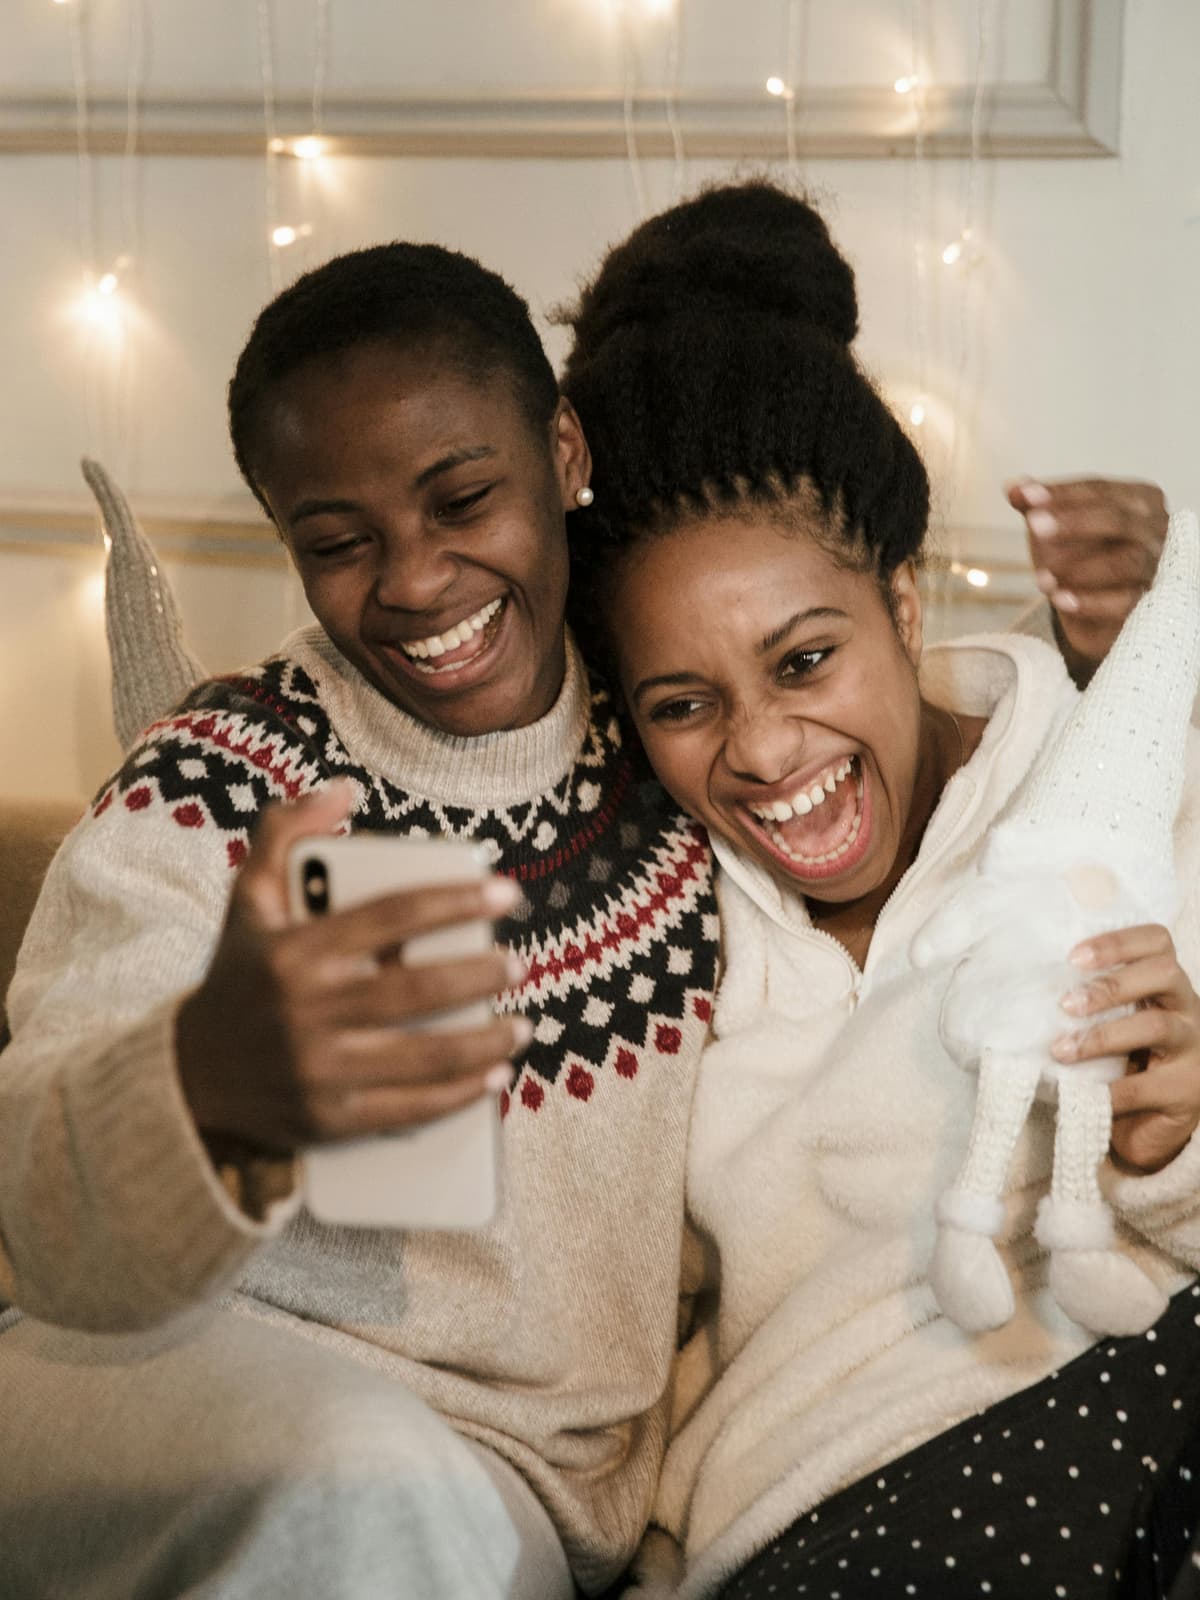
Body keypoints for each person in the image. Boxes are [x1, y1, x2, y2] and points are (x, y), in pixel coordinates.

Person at [0, 224, 1173, 1600]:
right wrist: (213, 1086)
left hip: (515, 1485)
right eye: (338, 542)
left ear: (563, 454)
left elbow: (927, 723)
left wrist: (1135, 645)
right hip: (159, 1368)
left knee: (403, 1504)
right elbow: (50, 1224)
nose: (416, 580)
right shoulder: (226, 778)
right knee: (364, 1489)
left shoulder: (683, 777)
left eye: (461, 500)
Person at [557, 180, 1200, 1598]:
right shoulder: (639, 927)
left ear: (904, 606)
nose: (766, 751)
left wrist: (1178, 1137)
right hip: (821, 1507)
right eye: (683, 703)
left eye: (804, 660)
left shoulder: (1130, 778)